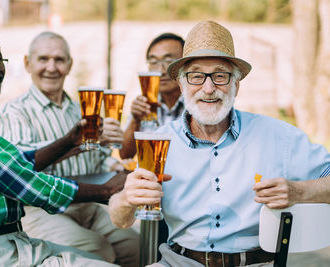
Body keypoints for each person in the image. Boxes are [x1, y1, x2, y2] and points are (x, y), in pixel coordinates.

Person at [109, 21, 330, 267]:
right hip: (178, 262)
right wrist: (127, 199)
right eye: (196, 76)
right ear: (182, 85)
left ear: (236, 84)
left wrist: (300, 192)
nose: (208, 88)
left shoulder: (278, 136)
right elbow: (120, 220)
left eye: (220, 75)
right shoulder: (158, 142)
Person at [0, 25, 121, 266]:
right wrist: (106, 191)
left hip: (2, 244)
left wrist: (69, 141)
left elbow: (14, 165)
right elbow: (25, 183)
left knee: (97, 255)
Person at [0, 31, 139, 266]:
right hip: (42, 211)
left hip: (89, 206)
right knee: (99, 250)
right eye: (43, 59)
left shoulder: (81, 110)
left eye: (59, 60)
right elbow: (24, 164)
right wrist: (75, 143)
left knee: (134, 244)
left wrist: (112, 161)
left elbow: (98, 160)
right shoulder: (16, 111)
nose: (51, 67)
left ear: (70, 65)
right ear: (27, 63)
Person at [120, 33, 185, 159]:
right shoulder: (146, 104)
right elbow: (125, 155)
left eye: (169, 61)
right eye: (154, 62)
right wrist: (135, 120)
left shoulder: (198, 103)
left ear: (185, 64)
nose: (161, 70)